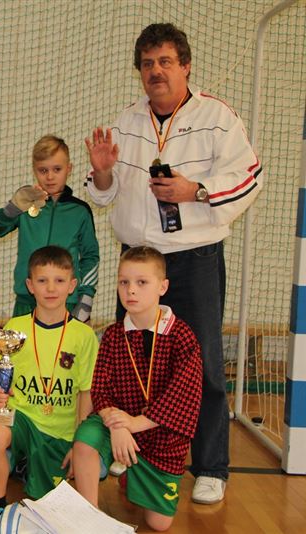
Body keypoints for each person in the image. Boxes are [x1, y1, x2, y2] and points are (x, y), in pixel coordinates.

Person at [85, 22, 263, 504]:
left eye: (165, 62)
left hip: (193, 261)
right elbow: (104, 194)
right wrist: (102, 173)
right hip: (137, 263)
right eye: (147, 64)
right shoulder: (126, 122)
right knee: (130, 363)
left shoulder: (218, 117)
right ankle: (132, 452)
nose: (156, 71)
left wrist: (196, 191)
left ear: (185, 66)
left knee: (201, 361)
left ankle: (210, 467)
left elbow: (250, 176)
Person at [0, 246, 99, 534]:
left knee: (47, 504)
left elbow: (86, 393)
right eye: (42, 280)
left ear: (72, 285)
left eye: (59, 280)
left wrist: (78, 443)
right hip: (22, 419)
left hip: (60, 433)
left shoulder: (84, 335)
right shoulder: (15, 328)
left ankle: (23, 464)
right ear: (30, 285)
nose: (50, 288)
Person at [74, 246, 202, 531]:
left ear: (162, 287)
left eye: (141, 282)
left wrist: (134, 424)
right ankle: (88, 517)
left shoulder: (182, 336)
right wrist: (118, 425)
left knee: (159, 524)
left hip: (161, 436)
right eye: (124, 282)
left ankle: (131, 475)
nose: (131, 290)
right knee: (84, 441)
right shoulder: (113, 334)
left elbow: (183, 397)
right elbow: (100, 390)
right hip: (118, 426)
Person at [0, 135, 99, 321]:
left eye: (57, 169)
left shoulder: (80, 211)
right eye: (43, 170)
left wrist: (85, 299)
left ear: (69, 169)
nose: (50, 176)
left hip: (66, 301)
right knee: (21, 341)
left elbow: (90, 256)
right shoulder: (25, 202)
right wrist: (13, 208)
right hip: (27, 299)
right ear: (34, 170)